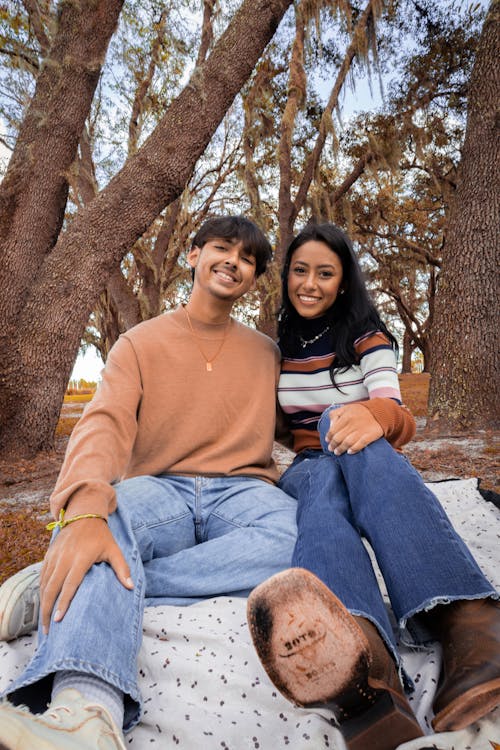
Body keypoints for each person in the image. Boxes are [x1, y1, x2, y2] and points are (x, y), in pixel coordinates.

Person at [0, 215, 298, 749]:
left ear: (253, 277)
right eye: (223, 248)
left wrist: (370, 419)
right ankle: (86, 712)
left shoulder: (267, 353)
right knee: (101, 519)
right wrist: (88, 501)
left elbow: (298, 426)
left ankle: (88, 575)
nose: (234, 261)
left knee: (303, 538)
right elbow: (105, 421)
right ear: (193, 255)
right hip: (162, 488)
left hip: (244, 492)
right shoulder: (139, 343)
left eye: (248, 258)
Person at [246, 222, 500, 750]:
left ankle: (472, 628)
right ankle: (361, 669)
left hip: (369, 453)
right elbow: (267, 427)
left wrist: (373, 413)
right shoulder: (276, 347)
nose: (309, 283)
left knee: (355, 440)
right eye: (299, 270)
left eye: (325, 273)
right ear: (287, 275)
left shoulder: (368, 335)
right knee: (320, 502)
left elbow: (398, 415)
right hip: (314, 466)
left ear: (343, 282)